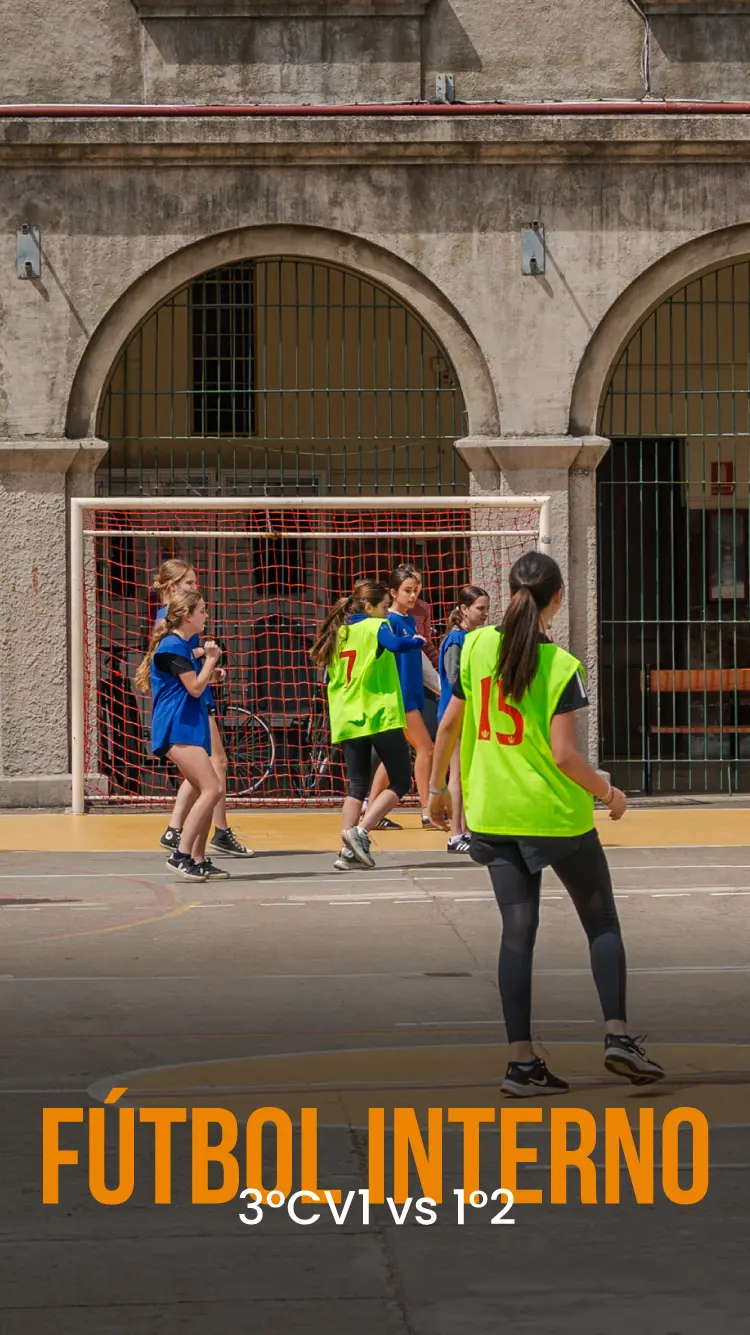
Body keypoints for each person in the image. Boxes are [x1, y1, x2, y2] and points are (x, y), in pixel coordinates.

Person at [428, 551, 664, 1096]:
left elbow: (449, 725)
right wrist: (608, 793)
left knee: (517, 934)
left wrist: (436, 792)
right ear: (558, 598)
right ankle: (618, 1036)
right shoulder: (560, 665)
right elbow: (563, 755)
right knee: (601, 923)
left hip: (492, 814)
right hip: (554, 816)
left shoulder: (476, 646)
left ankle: (522, 1064)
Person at [310, 579, 424, 871]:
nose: (387, 611)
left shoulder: (339, 632)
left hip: (348, 717)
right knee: (401, 780)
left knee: (357, 785)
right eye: (384, 606)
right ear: (369, 607)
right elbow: (395, 645)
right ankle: (361, 832)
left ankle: (346, 851)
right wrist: (415, 641)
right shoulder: (376, 627)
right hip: (378, 714)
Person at [152, 560, 253, 860]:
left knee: (206, 775)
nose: (195, 587)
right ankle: (200, 839)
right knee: (212, 770)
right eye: (189, 583)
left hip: (194, 697)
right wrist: (207, 660)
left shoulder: (181, 623)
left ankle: (187, 842)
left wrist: (208, 668)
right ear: (173, 586)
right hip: (186, 707)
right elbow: (180, 669)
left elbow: (187, 664)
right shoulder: (172, 623)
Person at [135, 591, 230, 882]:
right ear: (187, 615)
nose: (206, 615)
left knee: (205, 791)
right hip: (176, 728)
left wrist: (211, 673)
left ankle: (198, 859)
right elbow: (195, 689)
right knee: (213, 789)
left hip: (190, 726)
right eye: (202, 610)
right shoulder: (171, 647)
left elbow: (189, 683)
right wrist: (210, 660)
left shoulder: (183, 648)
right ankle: (181, 854)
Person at [365, 565, 435, 827]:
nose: (413, 595)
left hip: (412, 695)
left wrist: (440, 687)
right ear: (393, 592)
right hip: (400, 698)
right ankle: (427, 810)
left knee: (393, 757)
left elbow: (420, 663)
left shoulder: (408, 620)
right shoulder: (389, 622)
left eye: (416, 590)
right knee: (426, 749)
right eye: (407, 590)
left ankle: (372, 810)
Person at [437, 584, 490, 853]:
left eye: (487, 608)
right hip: (455, 714)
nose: (485, 614)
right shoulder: (457, 640)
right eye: (480, 608)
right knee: (457, 774)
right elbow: (455, 679)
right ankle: (456, 834)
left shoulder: (471, 638)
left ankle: (466, 830)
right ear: (463, 609)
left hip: (467, 715)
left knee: (466, 773)